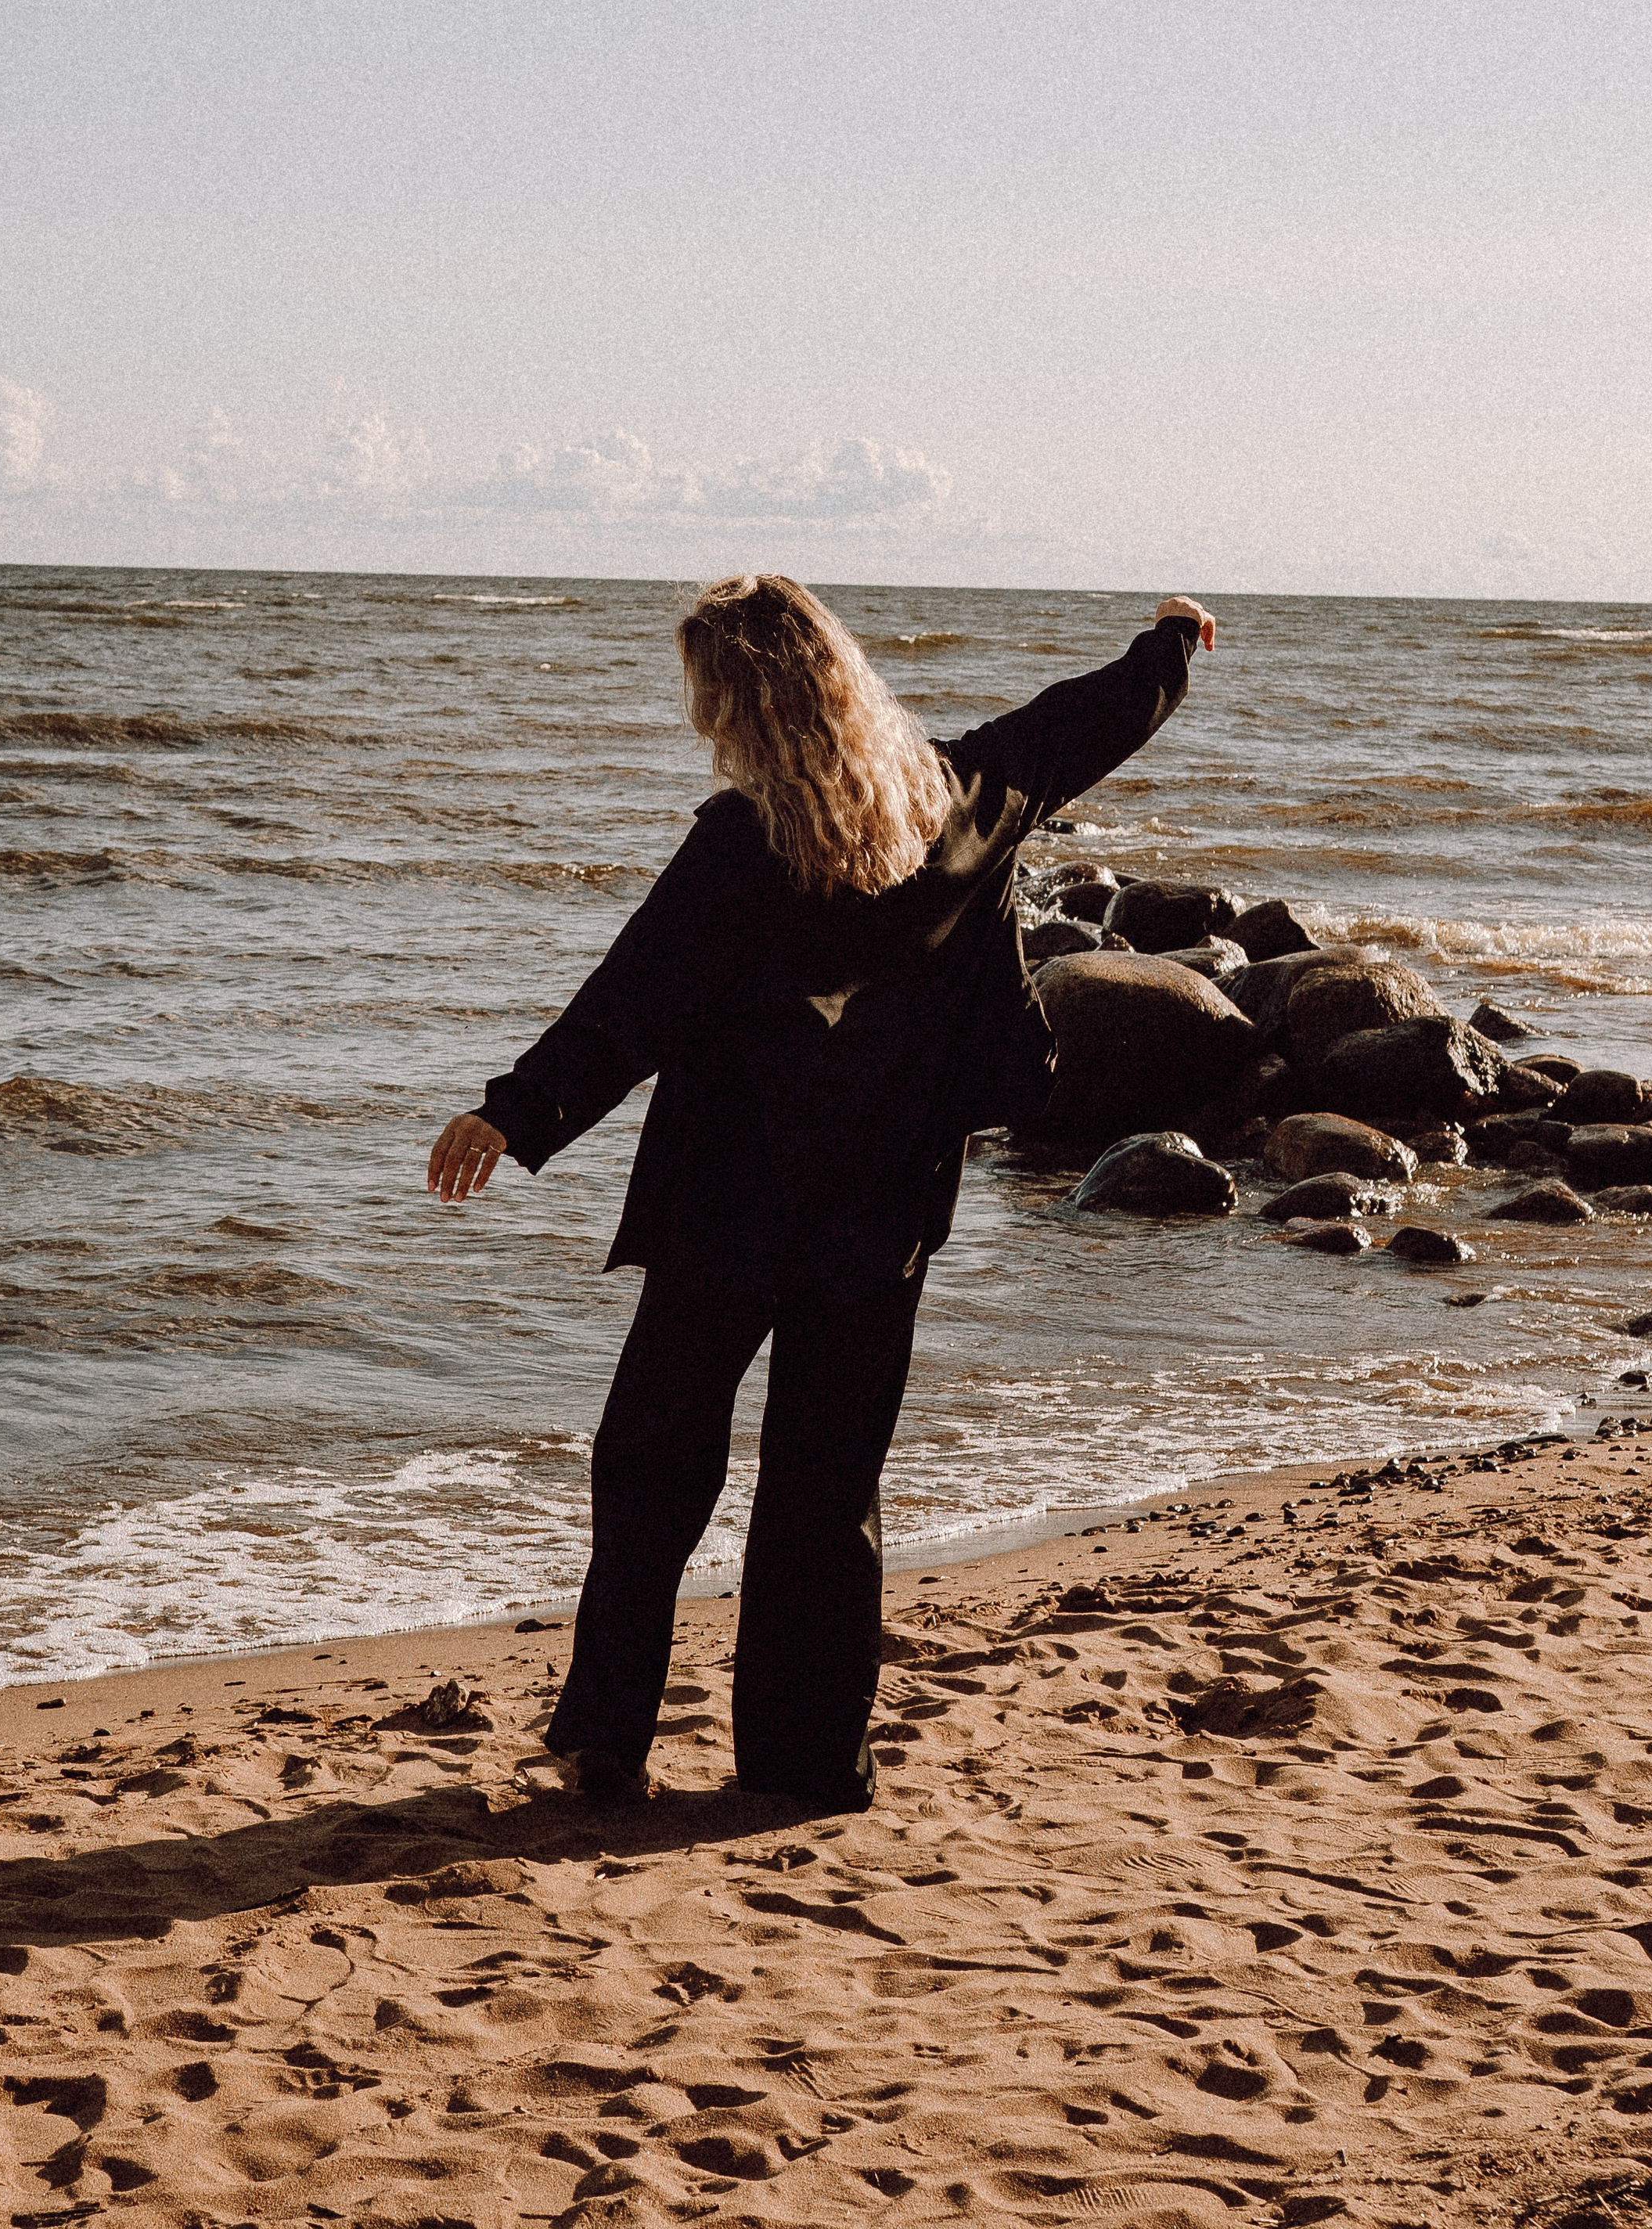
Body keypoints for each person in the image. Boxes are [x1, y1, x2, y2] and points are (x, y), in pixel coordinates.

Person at [426, 575, 1214, 1812]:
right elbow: (1087, 722)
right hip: (881, 1213)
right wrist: (1169, 644)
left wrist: (512, 1113)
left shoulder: (738, 849)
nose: (701, 718)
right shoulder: (963, 800)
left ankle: (607, 1743)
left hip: (726, 1213)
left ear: (744, 705)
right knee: (825, 1487)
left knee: (649, 1468)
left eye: (708, 694)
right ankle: (804, 1766)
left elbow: (628, 1007)